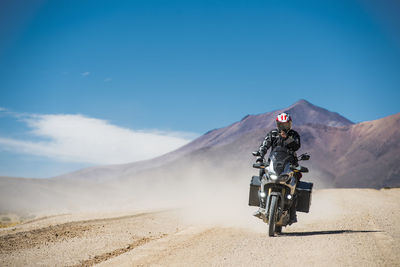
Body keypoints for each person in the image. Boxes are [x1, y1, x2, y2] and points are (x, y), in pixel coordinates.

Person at [253, 112, 301, 224]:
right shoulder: (273, 134)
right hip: (274, 162)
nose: (283, 127)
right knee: (262, 173)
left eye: (286, 124)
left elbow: (297, 146)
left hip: (290, 163)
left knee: (297, 180)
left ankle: (293, 213)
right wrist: (260, 156)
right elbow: (264, 145)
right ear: (277, 124)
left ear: (290, 124)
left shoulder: (294, 134)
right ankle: (261, 206)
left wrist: (287, 138)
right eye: (281, 124)